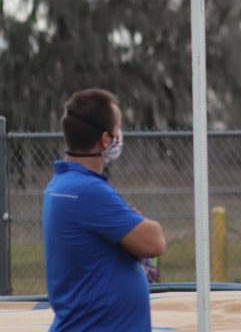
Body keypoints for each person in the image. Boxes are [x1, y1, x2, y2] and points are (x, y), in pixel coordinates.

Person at [42, 88, 166, 331]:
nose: (120, 135)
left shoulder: (63, 184)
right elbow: (154, 242)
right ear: (106, 140)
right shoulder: (88, 191)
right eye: (118, 128)